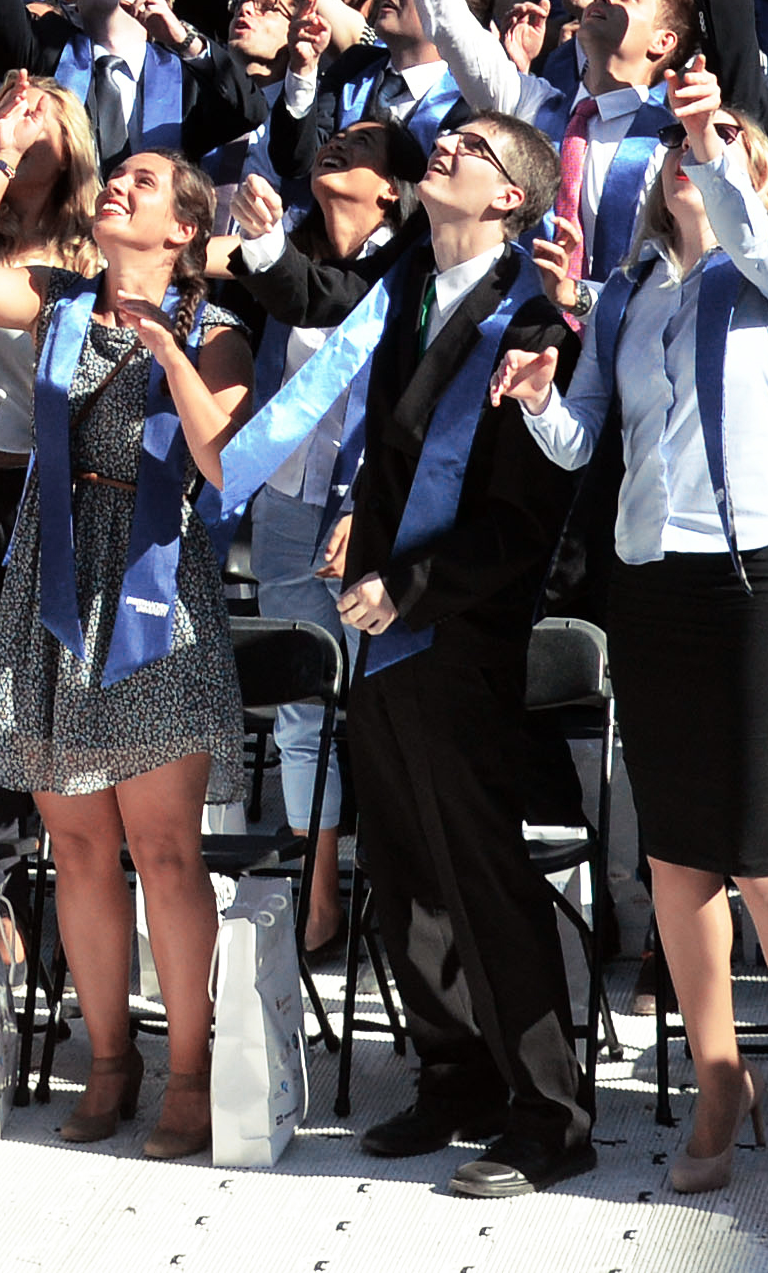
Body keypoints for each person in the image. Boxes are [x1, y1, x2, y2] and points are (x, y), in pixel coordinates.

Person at [509, 77, 768, 1226]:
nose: (687, 156)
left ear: (748, 171)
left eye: (716, 145)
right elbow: (583, 443)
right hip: (649, 573)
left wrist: (716, 139)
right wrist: (538, 397)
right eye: (675, 145)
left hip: (760, 573)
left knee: (764, 847)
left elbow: (753, 236)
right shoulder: (629, 292)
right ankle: (719, 1078)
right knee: (674, 852)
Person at [0, 0, 253, 1156]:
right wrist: (0, 155)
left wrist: (168, 343)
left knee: (163, 846)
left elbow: (221, 461)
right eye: (115, 179)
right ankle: (107, 1059)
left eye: (144, 183)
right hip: (53, 576)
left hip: (150, 590)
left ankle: (190, 1066)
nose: (116, 188)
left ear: (183, 227)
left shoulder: (215, 323)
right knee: (73, 839)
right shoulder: (63, 296)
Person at [317, 114, 594, 1199]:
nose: (445, 147)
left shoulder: (531, 317)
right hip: (382, 624)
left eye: (473, 147)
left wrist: (410, 585)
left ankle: (550, 1110)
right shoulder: (404, 294)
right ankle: (454, 1071)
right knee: (401, 865)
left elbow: (526, 518)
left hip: (461, 628)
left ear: (514, 198)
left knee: (478, 868)